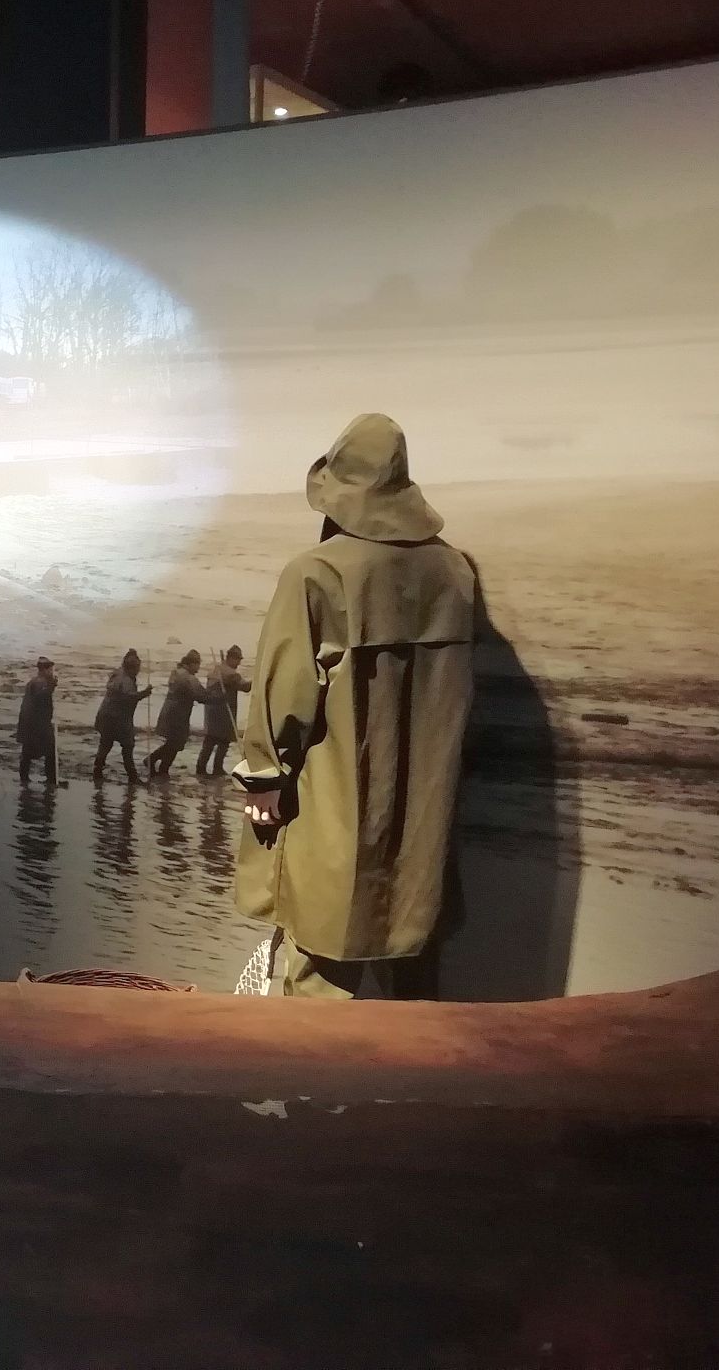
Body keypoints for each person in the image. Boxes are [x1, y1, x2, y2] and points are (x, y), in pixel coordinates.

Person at [235, 413, 477, 999]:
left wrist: (263, 780)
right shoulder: (454, 571)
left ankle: (316, 1064)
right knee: (411, 962)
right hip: (424, 812)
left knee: (319, 966)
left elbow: (282, 693)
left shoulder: (316, 573)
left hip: (331, 803)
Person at [146, 650, 212, 777]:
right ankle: (154, 761)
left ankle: (162, 767)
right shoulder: (188, 678)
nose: (198, 668)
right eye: (197, 665)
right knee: (175, 743)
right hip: (178, 714)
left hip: (170, 711)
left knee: (173, 743)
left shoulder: (176, 673)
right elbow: (201, 696)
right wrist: (217, 698)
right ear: (191, 664)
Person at [92, 649, 152, 784]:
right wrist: (144, 693)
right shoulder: (126, 680)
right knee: (128, 746)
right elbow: (128, 698)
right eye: (137, 668)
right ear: (132, 668)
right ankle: (132, 776)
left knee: (105, 744)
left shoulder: (117, 674)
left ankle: (97, 770)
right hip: (119, 719)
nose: (138, 670)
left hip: (105, 715)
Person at [196, 646, 251, 777]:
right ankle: (216, 768)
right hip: (223, 711)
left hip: (212, 710)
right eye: (238, 660)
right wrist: (259, 680)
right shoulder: (230, 674)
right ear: (230, 658)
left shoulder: (217, 670)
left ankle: (202, 767)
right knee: (223, 741)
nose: (239, 663)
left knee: (210, 740)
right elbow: (245, 687)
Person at [15, 656, 58, 787]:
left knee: (27, 752)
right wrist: (52, 686)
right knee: (50, 750)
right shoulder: (41, 683)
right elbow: (41, 697)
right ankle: (51, 780)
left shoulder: (34, 682)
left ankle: (24, 778)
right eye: (50, 669)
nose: (52, 672)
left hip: (29, 721)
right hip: (37, 723)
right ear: (45, 670)